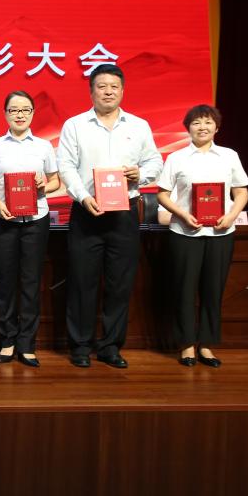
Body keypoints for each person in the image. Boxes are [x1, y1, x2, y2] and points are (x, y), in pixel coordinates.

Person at [57, 64, 162, 369]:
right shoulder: (75, 125)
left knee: (120, 283)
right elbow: (66, 166)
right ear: (91, 92)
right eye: (101, 86)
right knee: (82, 282)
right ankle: (80, 346)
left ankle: (111, 346)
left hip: (124, 213)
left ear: (122, 91)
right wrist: (83, 196)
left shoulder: (138, 126)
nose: (108, 92)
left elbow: (155, 161)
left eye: (114, 86)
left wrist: (141, 174)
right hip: (87, 211)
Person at [156, 104, 248, 368]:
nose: (202, 127)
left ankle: (206, 345)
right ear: (188, 128)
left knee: (213, 290)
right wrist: (182, 214)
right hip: (185, 232)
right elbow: (162, 194)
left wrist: (231, 216)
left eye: (208, 122)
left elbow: (241, 192)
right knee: (184, 290)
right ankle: (186, 345)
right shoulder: (176, 158)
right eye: (196, 123)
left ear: (216, 127)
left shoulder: (229, 156)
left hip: (221, 232)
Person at [0, 91, 60, 368]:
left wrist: (43, 185)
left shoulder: (43, 146)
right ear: (5, 114)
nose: (19, 115)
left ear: (32, 114)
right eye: (14, 110)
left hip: (36, 220)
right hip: (3, 219)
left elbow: (56, 182)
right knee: (5, 282)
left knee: (30, 282)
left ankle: (27, 344)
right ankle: (7, 340)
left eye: (25, 110)